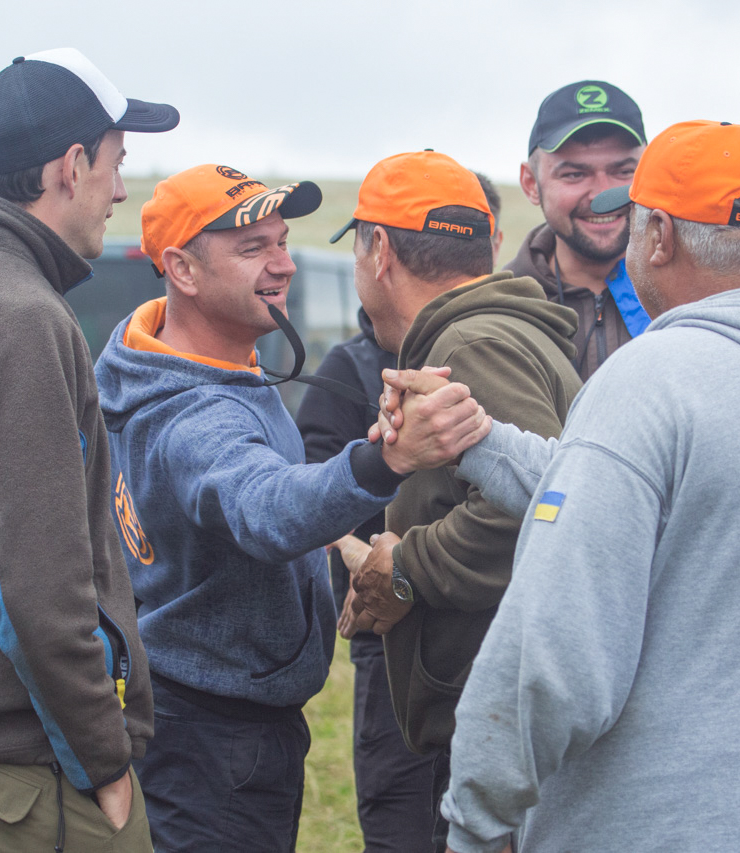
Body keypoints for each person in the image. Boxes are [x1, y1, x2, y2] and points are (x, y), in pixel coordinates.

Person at [381, 120, 740, 852]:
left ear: (658, 235)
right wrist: (477, 438)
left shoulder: (653, 379)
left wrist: (476, 817)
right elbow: (640, 501)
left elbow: (551, 653)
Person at [91, 163, 488, 853]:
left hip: (209, 723)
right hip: (214, 742)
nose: (283, 265)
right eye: (253, 249)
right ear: (181, 269)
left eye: (281, 242)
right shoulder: (192, 416)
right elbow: (264, 506)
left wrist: (342, 543)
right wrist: (388, 459)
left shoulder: (184, 360)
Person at [0, 48, 178, 851]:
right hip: (37, 768)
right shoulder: (21, 317)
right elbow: (33, 586)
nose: (121, 191)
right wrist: (105, 762)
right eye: (116, 164)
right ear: (71, 166)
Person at [328, 150, 581, 851]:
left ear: (380, 251)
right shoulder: (494, 331)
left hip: (501, 732)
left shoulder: (471, 344)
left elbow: (541, 511)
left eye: (357, 249)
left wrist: (404, 565)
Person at [293, 164, 507, 853]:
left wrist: (408, 559)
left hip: (485, 654)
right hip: (393, 654)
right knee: (404, 825)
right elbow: (314, 499)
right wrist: (361, 550)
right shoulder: (350, 370)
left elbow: (527, 507)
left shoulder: (489, 352)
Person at [509, 80, 649, 380]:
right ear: (531, 183)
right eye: (574, 174)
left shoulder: (693, 294)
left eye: (624, 172)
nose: (602, 195)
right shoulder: (502, 307)